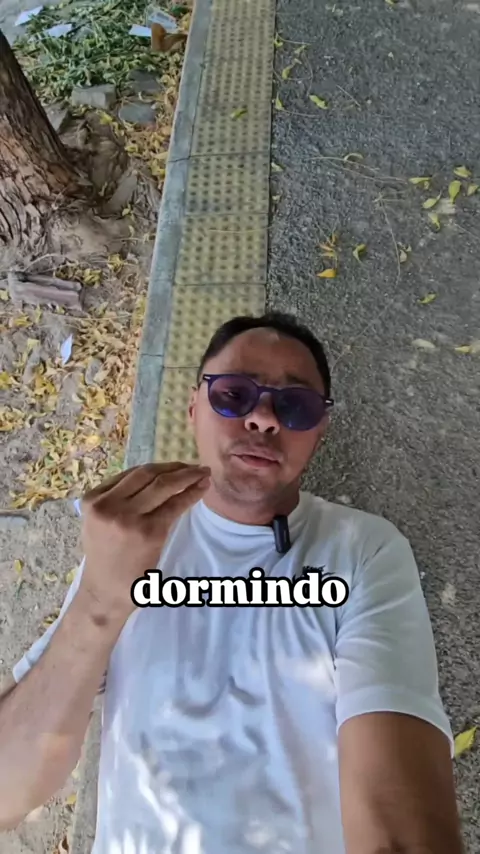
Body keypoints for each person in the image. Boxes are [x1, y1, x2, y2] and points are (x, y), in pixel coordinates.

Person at [0, 312, 463, 854]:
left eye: (296, 405)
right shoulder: (129, 543)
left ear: (319, 431)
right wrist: (99, 599)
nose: (263, 417)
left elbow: (400, 824)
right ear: (193, 408)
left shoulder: (364, 550)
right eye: (234, 394)